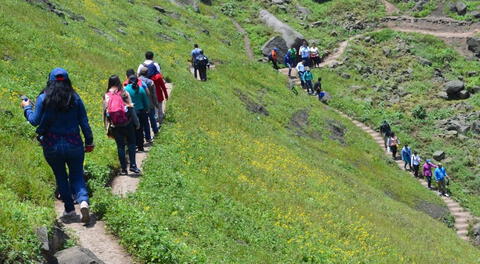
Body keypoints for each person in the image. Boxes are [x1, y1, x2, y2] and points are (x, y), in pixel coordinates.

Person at [21, 68, 93, 223]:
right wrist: (89, 141)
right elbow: (84, 123)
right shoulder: (75, 98)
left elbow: (34, 121)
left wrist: (27, 107)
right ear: (67, 81)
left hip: (51, 145)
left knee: (61, 176)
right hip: (74, 143)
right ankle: (83, 201)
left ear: (50, 81)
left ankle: (69, 210)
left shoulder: (43, 98)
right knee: (77, 175)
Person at [104, 75, 141, 175]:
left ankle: (124, 169)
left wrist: (106, 127)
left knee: (120, 146)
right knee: (132, 143)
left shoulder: (106, 95)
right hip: (128, 123)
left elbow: (105, 113)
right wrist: (136, 122)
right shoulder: (124, 93)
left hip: (115, 126)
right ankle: (133, 165)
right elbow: (131, 109)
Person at [125, 75, 149, 152]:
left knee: (131, 130)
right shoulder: (141, 89)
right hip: (141, 112)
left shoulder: (125, 89)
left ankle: (132, 146)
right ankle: (140, 146)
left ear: (128, 80)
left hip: (130, 113)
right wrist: (147, 109)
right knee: (140, 129)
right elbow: (145, 102)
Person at [138, 67, 160, 136]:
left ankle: (146, 135)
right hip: (150, 103)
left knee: (144, 121)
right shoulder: (150, 82)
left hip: (141, 105)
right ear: (147, 73)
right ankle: (155, 131)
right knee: (152, 118)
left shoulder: (137, 81)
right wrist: (156, 104)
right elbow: (154, 95)